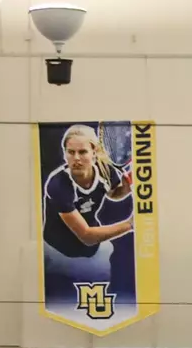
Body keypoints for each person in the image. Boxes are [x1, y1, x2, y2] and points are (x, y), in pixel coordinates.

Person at [41, 124, 134, 290]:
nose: (76, 158)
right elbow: (86, 236)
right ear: (65, 154)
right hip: (56, 253)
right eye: (71, 152)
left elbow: (113, 193)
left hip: (94, 251)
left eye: (82, 152)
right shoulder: (58, 185)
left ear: (94, 153)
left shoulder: (105, 170)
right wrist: (130, 224)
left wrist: (127, 184)